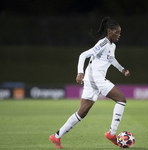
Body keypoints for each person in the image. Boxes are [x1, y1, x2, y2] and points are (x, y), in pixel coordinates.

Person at [49, 17, 130, 149]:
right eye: (117, 32)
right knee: (121, 99)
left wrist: (122, 69)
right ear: (109, 31)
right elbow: (83, 55)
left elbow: (112, 59)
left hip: (92, 79)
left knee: (82, 112)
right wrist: (79, 72)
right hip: (95, 78)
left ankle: (56, 136)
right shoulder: (103, 43)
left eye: (120, 32)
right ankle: (112, 133)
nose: (119, 35)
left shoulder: (112, 46)